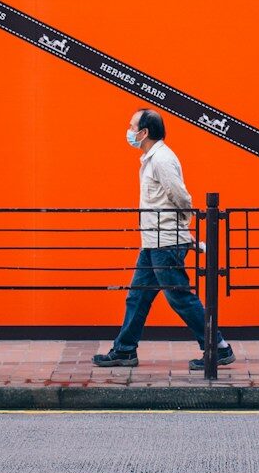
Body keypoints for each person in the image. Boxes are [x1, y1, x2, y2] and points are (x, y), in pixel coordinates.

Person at [93, 107, 234, 370]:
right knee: (137, 297)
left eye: (132, 127)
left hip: (166, 242)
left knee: (179, 297)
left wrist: (179, 228)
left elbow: (182, 198)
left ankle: (218, 348)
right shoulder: (151, 159)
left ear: (144, 132)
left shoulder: (161, 160)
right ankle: (124, 350)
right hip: (152, 242)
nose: (129, 131)